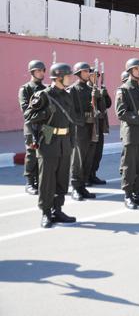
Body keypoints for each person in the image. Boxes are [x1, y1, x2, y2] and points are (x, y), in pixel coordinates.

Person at [24, 63, 77, 228]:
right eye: (67, 76)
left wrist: (72, 142)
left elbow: (72, 121)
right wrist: (46, 112)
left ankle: (57, 210)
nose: (70, 79)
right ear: (59, 77)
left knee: (62, 179)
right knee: (47, 180)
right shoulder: (43, 95)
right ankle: (46, 213)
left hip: (64, 142)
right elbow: (28, 115)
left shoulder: (67, 95)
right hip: (48, 142)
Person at [115, 58, 139, 209]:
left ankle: (137, 193)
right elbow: (121, 113)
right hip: (131, 132)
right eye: (136, 69)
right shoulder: (123, 90)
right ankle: (128, 195)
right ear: (130, 71)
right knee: (129, 166)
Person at [68, 62, 97, 201]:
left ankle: (83, 185)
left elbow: (100, 108)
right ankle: (75, 187)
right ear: (78, 73)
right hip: (79, 128)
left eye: (88, 71)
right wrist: (84, 118)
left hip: (91, 127)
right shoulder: (73, 90)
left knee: (88, 157)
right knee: (78, 159)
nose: (88, 74)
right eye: (85, 71)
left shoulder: (90, 89)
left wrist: (99, 96)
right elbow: (70, 111)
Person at [18, 60, 46, 195]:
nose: (41, 73)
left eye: (42, 70)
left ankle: (41, 181)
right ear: (32, 72)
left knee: (46, 153)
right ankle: (29, 182)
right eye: (38, 70)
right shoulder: (25, 89)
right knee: (32, 154)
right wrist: (44, 112)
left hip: (46, 127)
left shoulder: (47, 88)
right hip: (32, 126)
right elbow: (26, 110)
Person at [88, 68, 111, 186]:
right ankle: (86, 176)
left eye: (96, 76)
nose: (95, 78)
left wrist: (105, 95)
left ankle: (93, 174)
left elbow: (108, 105)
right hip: (90, 126)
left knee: (98, 153)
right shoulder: (87, 89)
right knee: (89, 153)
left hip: (100, 125)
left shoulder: (99, 89)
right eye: (92, 76)